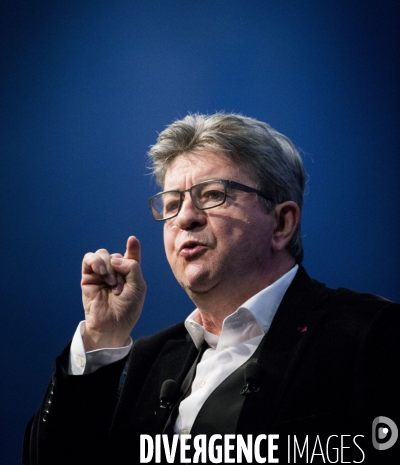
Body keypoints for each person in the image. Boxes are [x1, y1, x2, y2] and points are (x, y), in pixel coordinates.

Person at [24, 113, 400, 465]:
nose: (185, 217)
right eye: (172, 204)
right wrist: (102, 335)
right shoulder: (150, 359)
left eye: (213, 195)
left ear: (282, 223)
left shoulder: (369, 334)